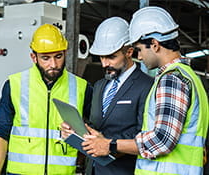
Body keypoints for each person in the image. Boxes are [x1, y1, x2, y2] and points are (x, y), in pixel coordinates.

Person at [81, 6, 209, 175]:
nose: (139, 56)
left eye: (140, 49)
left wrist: (110, 145)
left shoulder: (172, 79)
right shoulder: (190, 77)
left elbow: (162, 140)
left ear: (154, 45)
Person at [0, 24, 92, 175]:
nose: (53, 65)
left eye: (58, 56)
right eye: (46, 58)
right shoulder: (14, 84)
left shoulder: (82, 88)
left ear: (65, 53)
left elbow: (94, 133)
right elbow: (0, 134)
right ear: (34, 57)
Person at [61, 17, 153, 175]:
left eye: (111, 57)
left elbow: (146, 136)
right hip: (94, 170)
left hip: (123, 170)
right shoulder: (99, 86)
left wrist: (108, 143)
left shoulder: (146, 86)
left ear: (129, 52)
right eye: (101, 57)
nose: (104, 64)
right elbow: (95, 125)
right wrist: (76, 131)